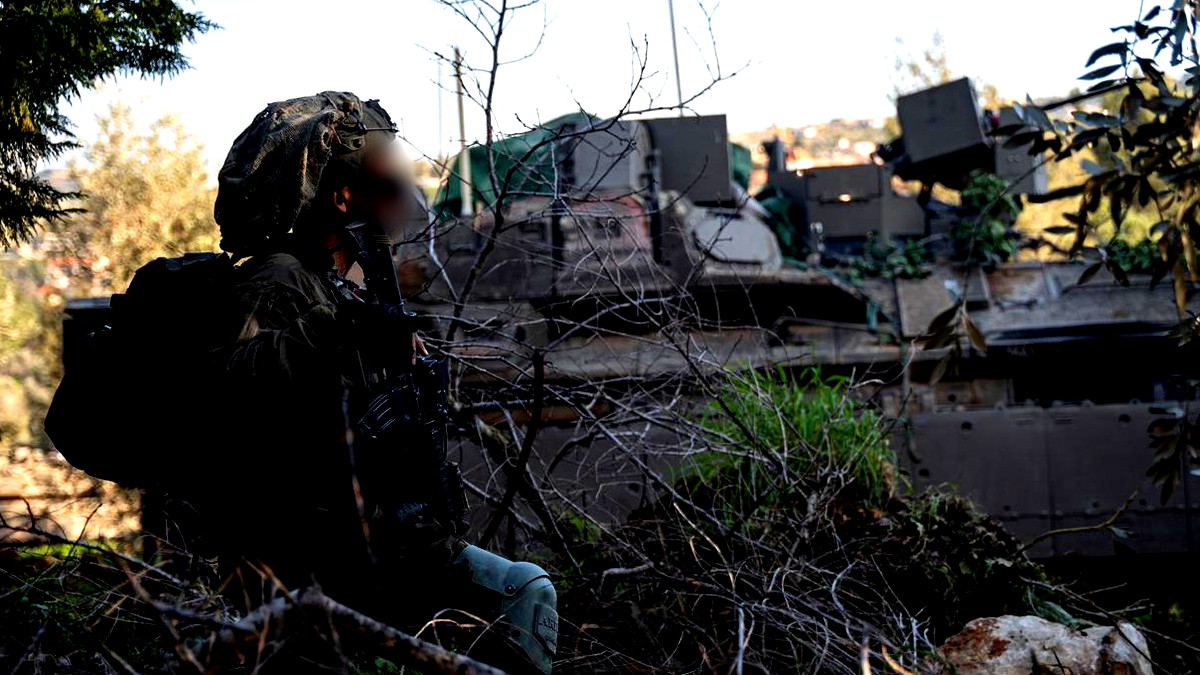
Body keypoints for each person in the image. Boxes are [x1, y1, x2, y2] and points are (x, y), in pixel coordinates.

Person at [196, 91, 557, 673]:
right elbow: (227, 382)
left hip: (381, 536)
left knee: (524, 596)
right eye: (391, 181)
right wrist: (347, 335)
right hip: (310, 559)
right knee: (523, 595)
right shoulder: (280, 278)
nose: (405, 195)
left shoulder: (343, 280)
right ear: (343, 197)